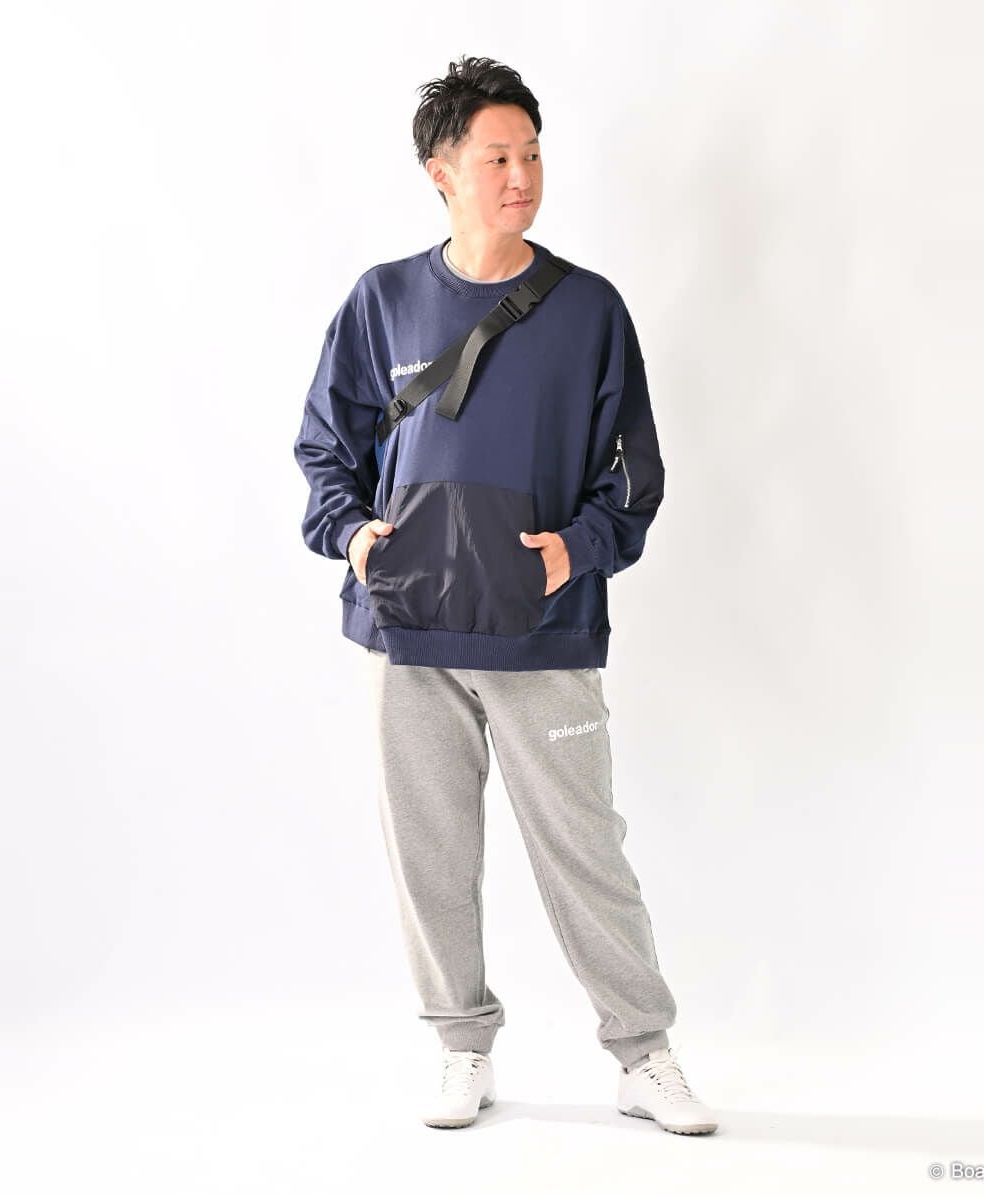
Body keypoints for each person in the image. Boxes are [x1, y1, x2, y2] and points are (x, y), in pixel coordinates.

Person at [293, 55, 719, 1136]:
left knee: (586, 852)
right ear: (442, 172)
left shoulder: (589, 309)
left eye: (531, 153)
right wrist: (352, 537)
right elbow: (325, 446)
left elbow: (637, 475)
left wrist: (578, 552)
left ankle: (643, 1055)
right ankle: (461, 1047)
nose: (521, 175)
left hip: (543, 632)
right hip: (409, 634)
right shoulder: (383, 301)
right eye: (497, 157)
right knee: (430, 853)